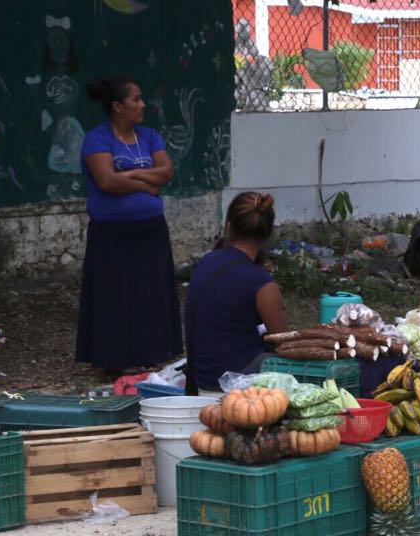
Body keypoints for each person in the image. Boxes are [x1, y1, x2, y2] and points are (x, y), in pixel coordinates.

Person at [75, 76, 181, 374]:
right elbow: (106, 181)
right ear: (118, 106)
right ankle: (113, 359)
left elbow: (166, 172)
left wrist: (128, 175)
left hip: (150, 230)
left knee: (150, 293)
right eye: (136, 99)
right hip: (112, 232)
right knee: (114, 295)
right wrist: (146, 182)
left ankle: (150, 353)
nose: (142, 104)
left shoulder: (149, 136)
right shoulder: (97, 138)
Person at [183, 193, 289, 396]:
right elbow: (285, 344)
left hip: (200, 378)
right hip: (233, 384)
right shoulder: (262, 283)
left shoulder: (207, 261)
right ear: (268, 233)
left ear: (229, 226)